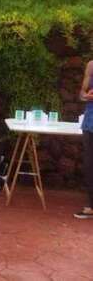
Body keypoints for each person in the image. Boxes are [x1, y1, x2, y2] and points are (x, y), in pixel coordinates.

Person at [75, 59, 93, 219]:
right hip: (90, 121)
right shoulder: (91, 65)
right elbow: (82, 93)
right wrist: (85, 95)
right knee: (89, 164)